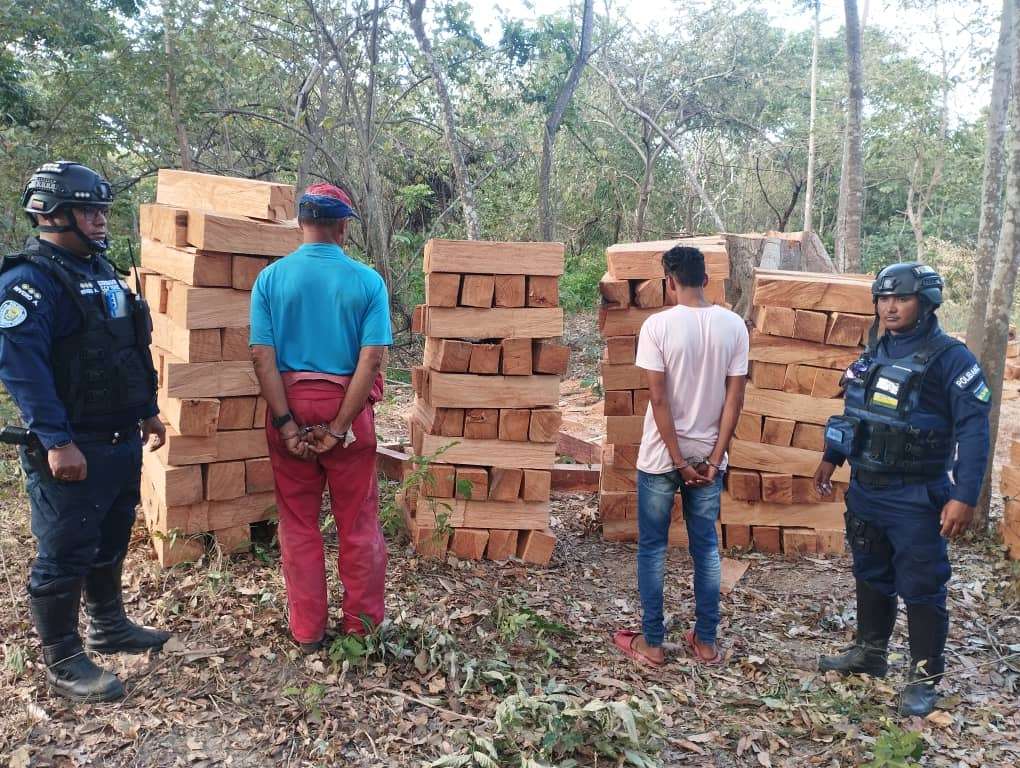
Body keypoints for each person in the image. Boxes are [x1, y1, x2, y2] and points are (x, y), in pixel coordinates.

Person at [0, 161, 170, 702]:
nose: (100, 220)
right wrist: (56, 440)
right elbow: (21, 366)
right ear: (51, 214)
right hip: (74, 446)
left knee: (111, 536)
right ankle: (63, 657)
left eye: (102, 210)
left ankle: (109, 624)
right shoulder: (30, 282)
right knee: (66, 549)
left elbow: (126, 350)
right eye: (88, 211)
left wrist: (147, 410)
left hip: (121, 437)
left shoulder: (100, 272)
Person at [814, 262, 991, 716]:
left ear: (926, 302)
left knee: (921, 585)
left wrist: (964, 495)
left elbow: (974, 429)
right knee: (871, 572)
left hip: (916, 496)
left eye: (902, 298)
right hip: (866, 489)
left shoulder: (952, 359)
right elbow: (856, 414)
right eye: (883, 298)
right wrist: (830, 459)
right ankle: (870, 654)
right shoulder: (873, 353)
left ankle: (925, 676)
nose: (890, 306)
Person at [250, 182, 391, 654]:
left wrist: (286, 423)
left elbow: (261, 358)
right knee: (357, 524)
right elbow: (370, 360)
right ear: (342, 225)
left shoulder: (270, 280)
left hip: (288, 406)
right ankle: (362, 629)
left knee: (298, 523)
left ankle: (307, 630)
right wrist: (338, 428)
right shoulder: (367, 282)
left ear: (302, 222)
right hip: (345, 412)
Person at [613, 245, 749, 668]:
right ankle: (705, 642)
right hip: (709, 456)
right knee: (706, 549)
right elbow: (735, 400)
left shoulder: (658, 327)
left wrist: (677, 460)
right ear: (706, 279)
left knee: (653, 549)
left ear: (668, 282)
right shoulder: (734, 327)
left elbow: (658, 399)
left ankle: (652, 644)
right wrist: (714, 457)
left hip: (661, 458)